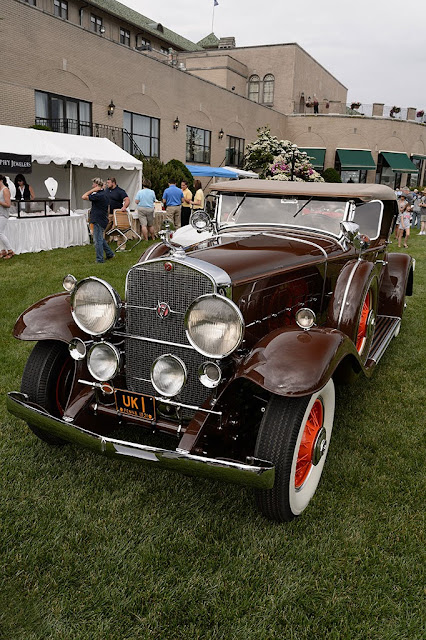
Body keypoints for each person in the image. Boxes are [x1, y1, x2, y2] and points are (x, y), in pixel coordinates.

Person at [82, 178, 115, 263]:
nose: (92, 186)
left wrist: (93, 190)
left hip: (98, 219)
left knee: (97, 241)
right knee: (100, 238)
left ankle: (99, 259)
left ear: (96, 186)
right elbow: (107, 208)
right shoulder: (105, 194)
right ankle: (110, 253)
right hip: (103, 218)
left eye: (93, 185)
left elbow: (84, 196)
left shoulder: (98, 195)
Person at [0, 175, 14, 259]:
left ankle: (10, 250)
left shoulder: (5, 190)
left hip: (3, 214)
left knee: (0, 233)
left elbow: (8, 204)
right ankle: (3, 250)